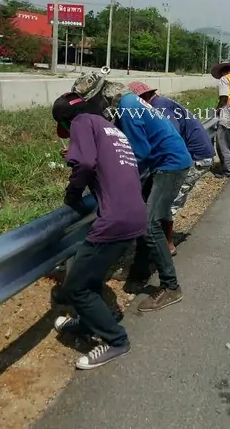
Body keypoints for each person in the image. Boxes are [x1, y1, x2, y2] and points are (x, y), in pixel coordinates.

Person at [71, 72, 192, 312]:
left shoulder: (125, 107)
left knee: (149, 223)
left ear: (98, 97)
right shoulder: (125, 102)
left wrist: (120, 183)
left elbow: (139, 153)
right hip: (162, 161)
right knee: (142, 217)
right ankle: (140, 270)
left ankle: (171, 286)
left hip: (170, 163)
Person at [51, 91, 147, 369]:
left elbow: (85, 163)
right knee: (91, 277)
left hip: (115, 218)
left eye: (64, 129)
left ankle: (116, 341)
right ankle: (86, 324)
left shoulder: (80, 122)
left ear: (67, 120)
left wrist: (72, 193)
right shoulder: (108, 127)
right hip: (135, 212)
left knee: (76, 287)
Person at [127, 81, 214, 256]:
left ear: (143, 98)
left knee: (167, 200)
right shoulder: (160, 104)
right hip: (192, 155)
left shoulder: (160, 108)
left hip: (195, 158)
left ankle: (166, 245)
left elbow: (168, 138)